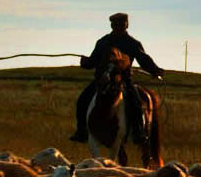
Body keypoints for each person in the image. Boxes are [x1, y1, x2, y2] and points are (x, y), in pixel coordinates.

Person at [69, 13, 164, 145]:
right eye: (116, 25)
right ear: (112, 25)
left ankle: (138, 132)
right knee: (82, 100)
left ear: (127, 25)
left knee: (136, 103)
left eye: (121, 24)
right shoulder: (102, 42)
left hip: (124, 81)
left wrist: (154, 70)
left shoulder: (133, 43)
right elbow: (93, 61)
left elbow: (143, 59)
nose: (119, 27)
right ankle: (82, 131)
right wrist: (85, 62)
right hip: (102, 81)